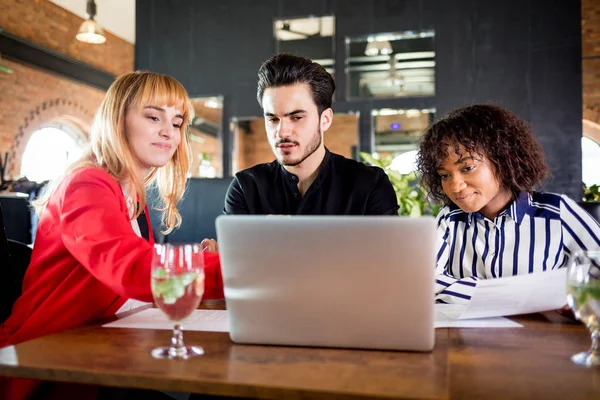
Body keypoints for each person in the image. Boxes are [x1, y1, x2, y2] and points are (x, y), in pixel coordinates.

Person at [0, 71, 223, 398]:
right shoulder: (87, 184)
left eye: (176, 123)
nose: (168, 132)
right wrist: (239, 267)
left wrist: (202, 262)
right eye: (152, 116)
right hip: (45, 361)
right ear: (118, 120)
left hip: (96, 347)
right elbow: (131, 269)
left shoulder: (133, 195)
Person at [416, 104, 600, 304]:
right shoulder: (449, 218)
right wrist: (516, 296)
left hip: (541, 334)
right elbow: (425, 281)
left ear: (503, 161)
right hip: (467, 334)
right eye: (444, 175)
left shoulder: (558, 214)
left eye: (467, 167)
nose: (455, 185)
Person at [224, 54, 398, 216]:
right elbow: (233, 249)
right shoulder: (246, 187)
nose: (282, 132)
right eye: (273, 119)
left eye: (297, 117)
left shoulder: (370, 186)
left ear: (325, 119)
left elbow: (388, 249)